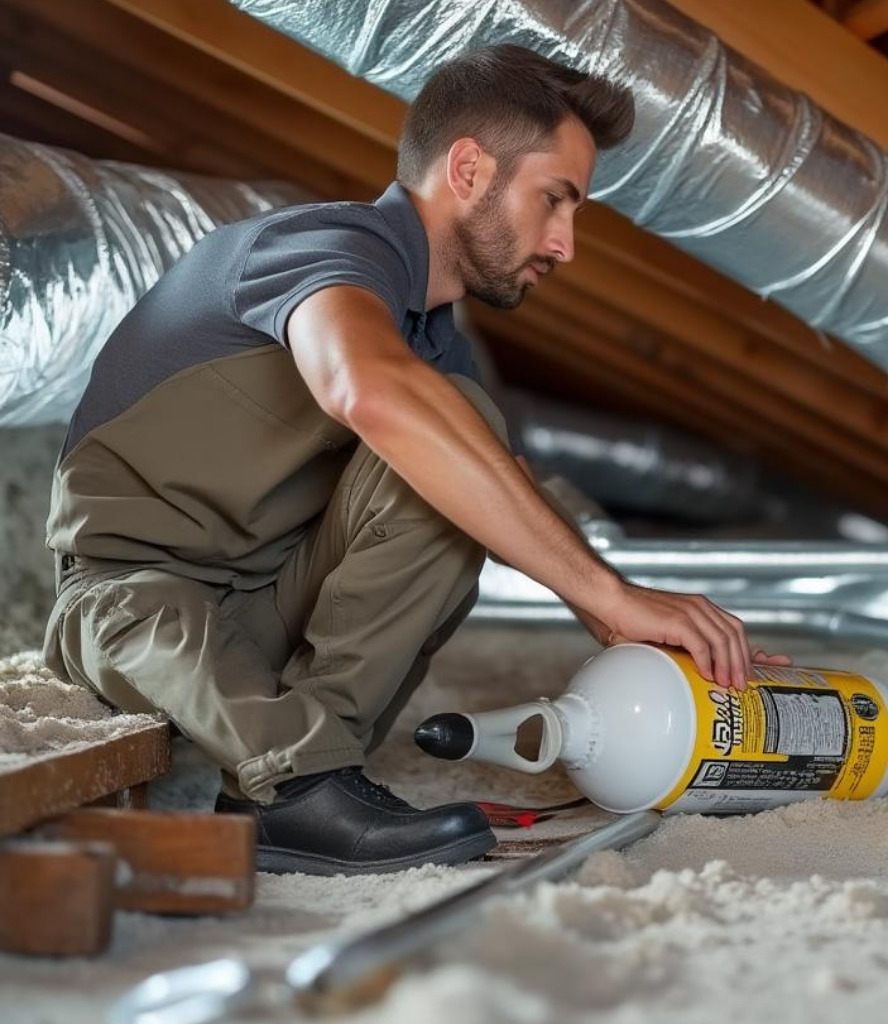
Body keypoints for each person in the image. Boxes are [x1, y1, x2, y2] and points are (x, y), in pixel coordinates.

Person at [43, 44, 787, 876]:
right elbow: (367, 387)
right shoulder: (323, 248)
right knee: (449, 422)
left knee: (471, 457)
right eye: (554, 200)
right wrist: (609, 593)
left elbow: (505, 501)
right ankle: (300, 783)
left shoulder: (435, 346)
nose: (566, 244)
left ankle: (297, 787)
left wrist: (638, 631)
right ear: (468, 168)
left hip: (268, 608)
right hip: (132, 606)